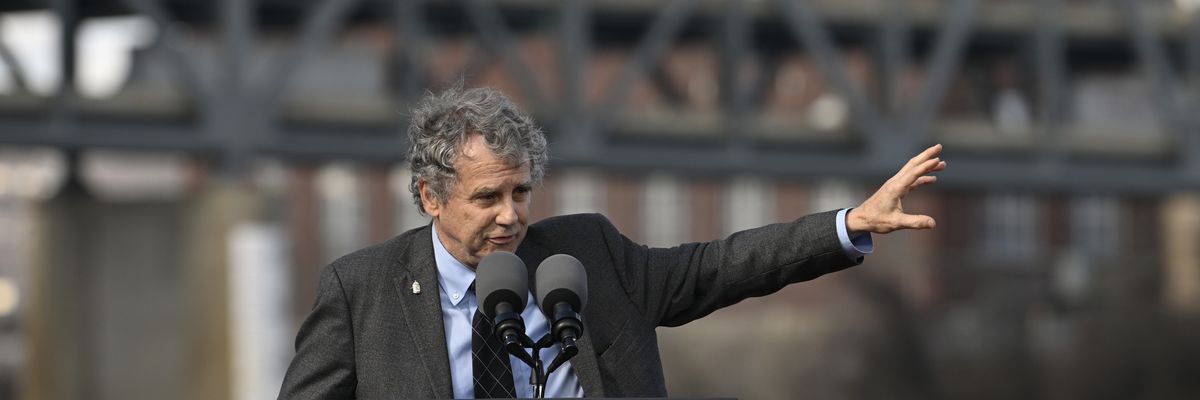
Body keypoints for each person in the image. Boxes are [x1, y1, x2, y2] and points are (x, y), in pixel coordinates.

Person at [278, 85, 946, 399]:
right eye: (487, 198)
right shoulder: (361, 291)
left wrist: (846, 225)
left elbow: (717, 268)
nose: (510, 216)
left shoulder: (585, 257)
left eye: (520, 193)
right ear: (430, 197)